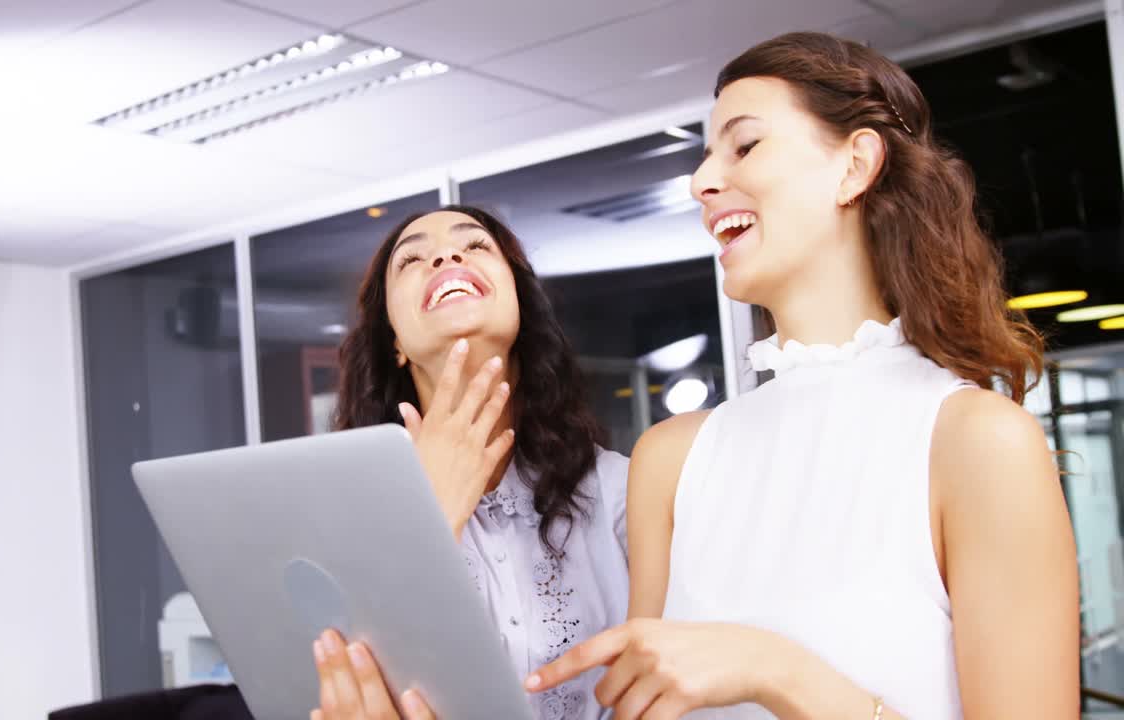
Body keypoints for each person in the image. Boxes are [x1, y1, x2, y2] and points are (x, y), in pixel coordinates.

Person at [527, 32, 1080, 719]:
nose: (702, 182)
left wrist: (777, 669)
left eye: (745, 145)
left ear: (856, 166)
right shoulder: (670, 458)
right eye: (705, 157)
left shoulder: (975, 442)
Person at [309, 205, 631, 720]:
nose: (445, 255)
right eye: (411, 259)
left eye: (476, 245)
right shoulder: (342, 512)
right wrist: (429, 514)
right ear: (394, 341)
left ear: (520, 307)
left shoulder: (621, 491)